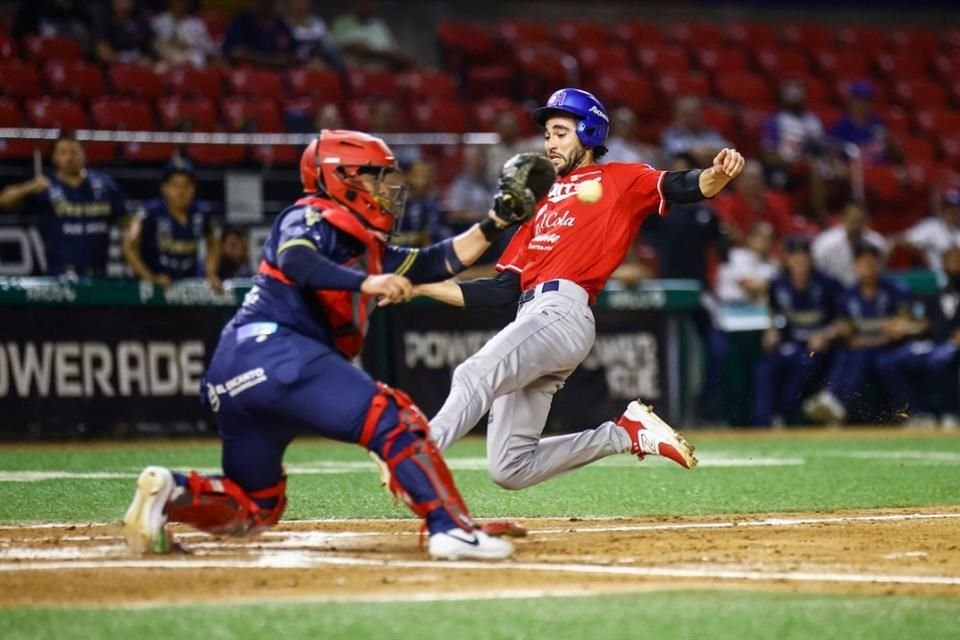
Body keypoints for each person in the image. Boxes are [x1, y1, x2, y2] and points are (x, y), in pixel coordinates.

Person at [122, 130, 522, 560]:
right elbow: (296, 258)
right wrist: (365, 282)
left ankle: (170, 491)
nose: (385, 188)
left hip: (236, 370)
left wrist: (496, 221)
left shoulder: (361, 241)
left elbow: (433, 262)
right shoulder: (313, 212)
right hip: (279, 350)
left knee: (256, 505)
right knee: (392, 417)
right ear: (341, 176)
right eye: (374, 176)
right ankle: (451, 528)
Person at [400, 88, 745, 490]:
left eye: (560, 132)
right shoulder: (538, 204)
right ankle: (623, 434)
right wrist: (420, 285)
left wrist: (717, 175)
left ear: (590, 132)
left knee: (474, 373)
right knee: (510, 468)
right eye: (548, 134)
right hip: (531, 317)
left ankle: (413, 459)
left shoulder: (619, 178)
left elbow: (683, 186)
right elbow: (499, 292)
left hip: (563, 311)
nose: (550, 143)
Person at [803, 242, 926, 424]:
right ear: (854, 266)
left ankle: (914, 414)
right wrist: (826, 335)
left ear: (879, 265)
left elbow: (907, 327)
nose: (867, 267)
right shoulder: (847, 294)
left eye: (871, 262)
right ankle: (833, 401)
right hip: (862, 348)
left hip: (891, 348)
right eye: (862, 263)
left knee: (877, 359)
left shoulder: (895, 290)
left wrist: (883, 336)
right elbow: (844, 328)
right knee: (845, 354)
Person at [0, 132, 127, 276]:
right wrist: (29, 187)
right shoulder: (45, 187)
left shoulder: (106, 186)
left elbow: (125, 224)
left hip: (97, 274)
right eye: (63, 152)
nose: (70, 157)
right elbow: (4, 201)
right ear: (54, 157)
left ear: (83, 154)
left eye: (74, 151)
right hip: (59, 274)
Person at [752, 236, 840, 427]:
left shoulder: (828, 283)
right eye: (794, 257)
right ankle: (763, 423)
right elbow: (773, 313)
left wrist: (825, 335)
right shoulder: (778, 284)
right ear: (788, 259)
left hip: (818, 348)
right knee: (765, 368)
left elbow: (843, 320)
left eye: (803, 258)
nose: (799, 263)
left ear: (811, 259)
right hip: (790, 344)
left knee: (804, 364)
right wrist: (771, 330)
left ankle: (785, 416)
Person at [872, 246, 960, 429]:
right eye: (950, 261)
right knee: (889, 362)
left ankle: (949, 413)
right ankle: (919, 415)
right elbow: (926, 325)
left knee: (939, 360)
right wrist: (905, 328)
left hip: (952, 346)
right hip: (933, 344)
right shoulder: (935, 295)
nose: (954, 266)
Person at [122, 159, 221, 291]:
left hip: (188, 288)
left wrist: (211, 274)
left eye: (187, 185)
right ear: (164, 188)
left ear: (194, 188)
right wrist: (150, 277)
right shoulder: (150, 213)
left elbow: (214, 243)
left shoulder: (201, 213)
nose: (181, 191)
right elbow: (129, 246)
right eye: (175, 185)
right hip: (155, 292)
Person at [761, 79, 828, 219]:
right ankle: (820, 216)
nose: (795, 97)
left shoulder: (813, 120)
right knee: (814, 169)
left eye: (798, 94)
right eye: (790, 94)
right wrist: (793, 161)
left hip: (816, 161)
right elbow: (768, 155)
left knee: (842, 169)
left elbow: (823, 147)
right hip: (785, 167)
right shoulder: (775, 121)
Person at [712, 159, 798, 245]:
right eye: (750, 178)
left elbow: (786, 232)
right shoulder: (728, 204)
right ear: (737, 181)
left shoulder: (775, 202)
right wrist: (750, 244)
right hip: (740, 251)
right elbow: (729, 230)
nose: (754, 183)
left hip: (772, 252)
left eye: (757, 178)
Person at [812, 201, 888, 286]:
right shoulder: (825, 243)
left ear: (867, 221)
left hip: (863, 292)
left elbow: (879, 273)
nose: (855, 225)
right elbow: (817, 272)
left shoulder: (877, 243)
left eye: (860, 220)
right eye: (852, 220)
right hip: (832, 291)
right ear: (842, 219)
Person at [829, 80, 901, 166]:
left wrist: (891, 143)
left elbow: (899, 159)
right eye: (860, 100)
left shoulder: (880, 124)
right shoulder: (840, 128)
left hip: (882, 174)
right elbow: (833, 158)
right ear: (851, 101)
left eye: (869, 100)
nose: (865, 105)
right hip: (856, 176)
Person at [894, 187, 960, 273]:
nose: (953, 213)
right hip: (938, 276)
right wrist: (918, 248)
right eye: (949, 209)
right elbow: (903, 240)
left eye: (956, 210)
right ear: (942, 210)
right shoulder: (932, 227)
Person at [714, 222, 778, 305]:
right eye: (760, 237)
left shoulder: (771, 264)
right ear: (749, 238)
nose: (764, 241)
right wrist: (774, 285)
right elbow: (749, 286)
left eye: (769, 238)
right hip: (730, 306)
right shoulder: (736, 255)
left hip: (754, 309)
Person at [392, 160, 451, 247]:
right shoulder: (392, 204)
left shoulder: (431, 206)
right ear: (407, 177)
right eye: (417, 175)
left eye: (427, 176)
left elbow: (435, 238)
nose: (424, 180)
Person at [660, 95, 730, 167]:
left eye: (694, 113)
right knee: (682, 162)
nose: (691, 118)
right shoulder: (671, 133)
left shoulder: (709, 131)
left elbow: (727, 147)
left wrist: (706, 152)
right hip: (681, 170)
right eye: (686, 114)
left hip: (708, 165)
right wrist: (698, 152)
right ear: (677, 115)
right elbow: (676, 151)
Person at [222, 0, 295, 68]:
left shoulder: (281, 24)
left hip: (278, 77)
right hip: (248, 76)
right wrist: (273, 61)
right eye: (261, 1)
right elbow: (236, 54)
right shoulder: (241, 21)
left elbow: (293, 55)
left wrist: (251, 55)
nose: (265, 4)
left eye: (268, 2)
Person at [152, 0, 218, 69]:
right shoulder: (159, 22)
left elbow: (209, 50)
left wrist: (190, 45)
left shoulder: (197, 24)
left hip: (192, 64)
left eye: (184, 2)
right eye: (178, 1)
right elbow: (153, 46)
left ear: (188, 4)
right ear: (170, 2)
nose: (180, 4)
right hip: (165, 61)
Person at [285, 0, 343, 70]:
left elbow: (330, 48)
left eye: (302, 2)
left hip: (319, 65)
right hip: (293, 66)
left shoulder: (318, 23)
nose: (299, 5)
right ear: (289, 3)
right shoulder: (283, 24)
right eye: (296, 2)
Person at [94, 0, 154, 64]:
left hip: (142, 66)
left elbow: (153, 42)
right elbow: (104, 53)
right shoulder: (103, 21)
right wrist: (131, 62)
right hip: (115, 68)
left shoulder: (139, 18)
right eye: (120, 1)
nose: (124, 5)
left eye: (127, 1)